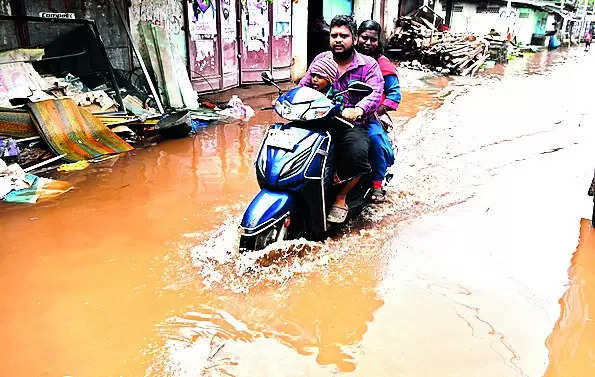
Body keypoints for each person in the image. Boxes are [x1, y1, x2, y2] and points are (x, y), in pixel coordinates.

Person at [299, 15, 384, 223]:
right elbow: (303, 85)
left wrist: (358, 109)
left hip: (349, 124)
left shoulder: (369, 65)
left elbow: (375, 92)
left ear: (354, 39)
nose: (338, 39)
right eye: (334, 35)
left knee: (357, 153)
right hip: (317, 121)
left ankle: (341, 196)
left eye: (343, 36)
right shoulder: (321, 60)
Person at [355, 20, 401, 202]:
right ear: (357, 37)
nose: (367, 43)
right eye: (364, 38)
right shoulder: (347, 59)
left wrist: (372, 110)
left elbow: (394, 94)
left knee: (374, 139)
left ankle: (377, 184)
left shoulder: (384, 65)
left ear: (378, 41)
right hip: (345, 111)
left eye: (372, 39)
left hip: (373, 114)